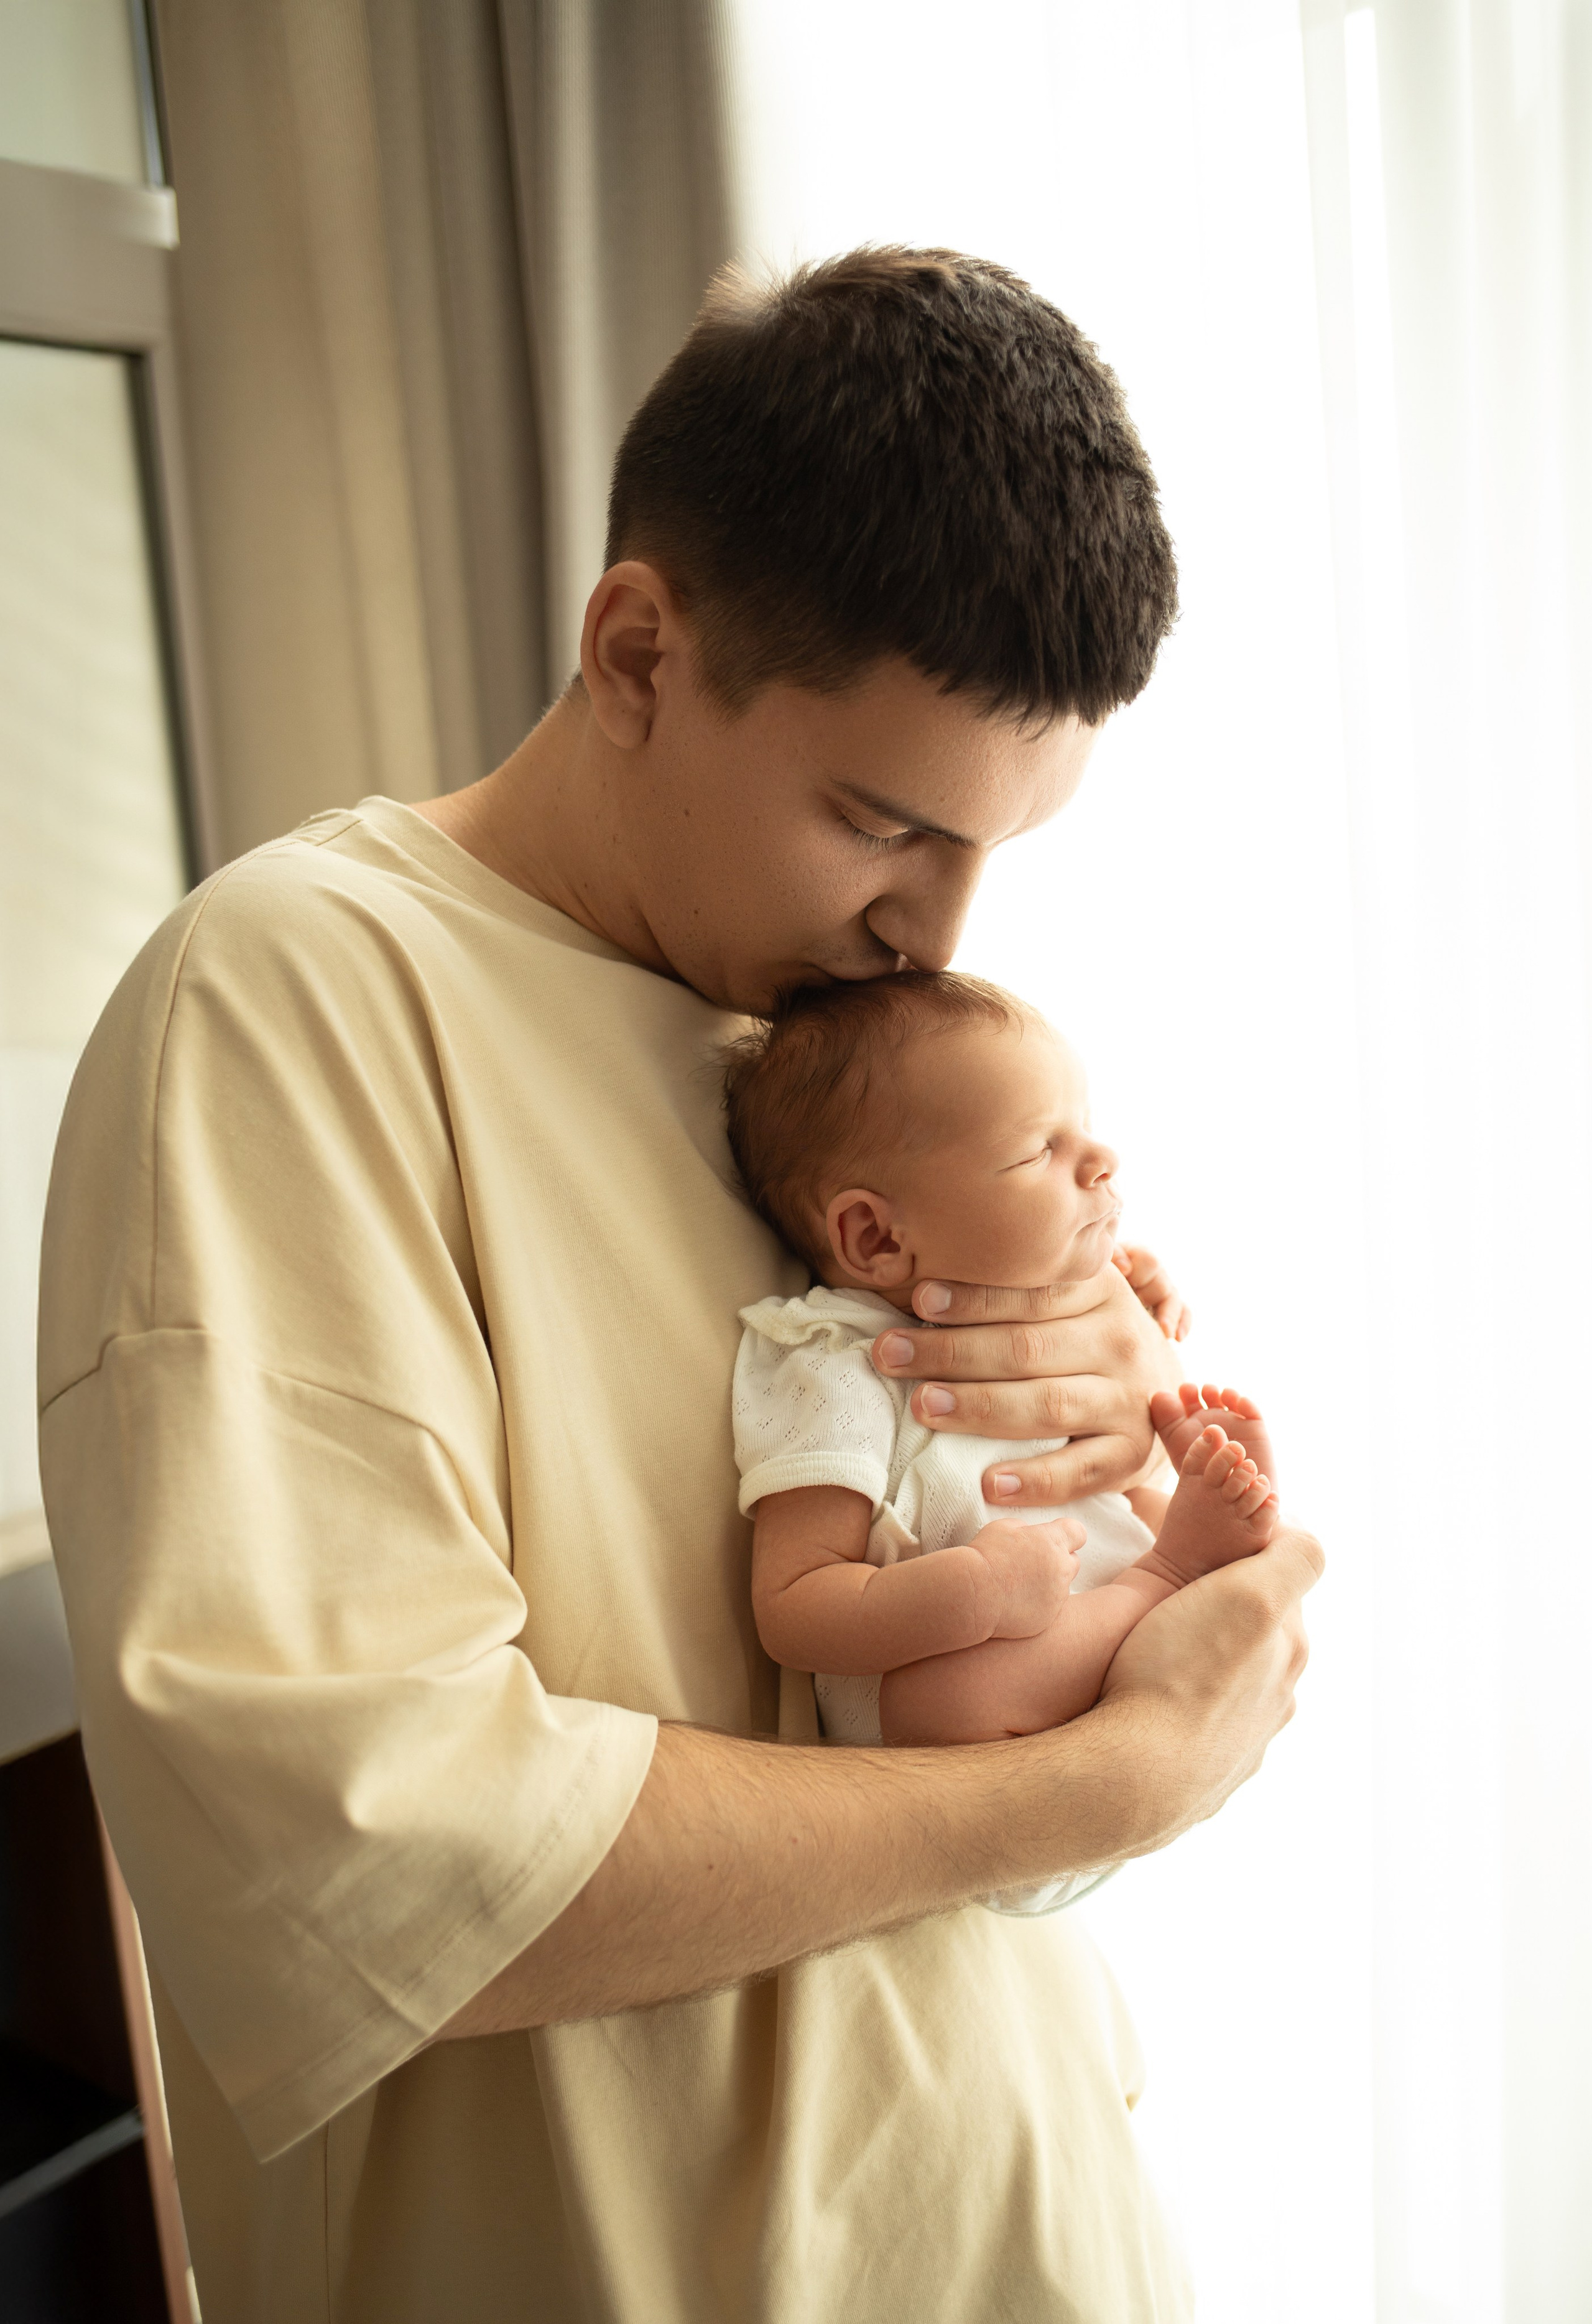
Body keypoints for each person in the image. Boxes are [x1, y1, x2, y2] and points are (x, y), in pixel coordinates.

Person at [39, 249, 1321, 2323]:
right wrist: (1105, 1773)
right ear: (636, 644)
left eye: (998, 849)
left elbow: (982, 1660)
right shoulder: (299, 1003)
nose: (937, 928)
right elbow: (375, 1842)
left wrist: (1133, 1436)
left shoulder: (819, 1063)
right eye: (879, 820)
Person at [725, 971, 1279, 1757]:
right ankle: (1174, 1571)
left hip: (1117, 1666)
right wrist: (974, 1592)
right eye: (1038, 1150)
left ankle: (1185, 1544)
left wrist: (1134, 1293)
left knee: (1149, 1495)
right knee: (942, 1695)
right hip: (991, 1731)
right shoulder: (837, 1365)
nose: (1103, 1159)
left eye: (1084, 1126)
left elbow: (1099, 1446)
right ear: (877, 1239)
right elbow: (795, 1608)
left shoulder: (1054, 1310)